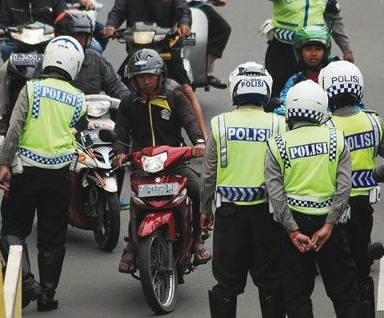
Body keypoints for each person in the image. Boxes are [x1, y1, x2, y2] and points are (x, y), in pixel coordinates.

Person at [0, 36, 87, 312]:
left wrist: (4, 163)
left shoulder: (31, 89)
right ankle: (47, 295)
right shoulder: (79, 99)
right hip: (59, 176)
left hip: (26, 172)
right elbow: (78, 128)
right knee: (52, 236)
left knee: (13, 228)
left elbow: (14, 129)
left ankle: (26, 282)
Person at [264, 80, 368, 317]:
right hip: (330, 224)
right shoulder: (337, 140)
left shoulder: (277, 144)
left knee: (297, 294)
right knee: (345, 292)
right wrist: (329, 225)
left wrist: (292, 231)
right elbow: (344, 189)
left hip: (295, 224)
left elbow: (276, 194)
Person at [111, 49, 209, 273]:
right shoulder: (128, 102)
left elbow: (190, 122)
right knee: (137, 201)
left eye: (150, 76)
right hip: (143, 165)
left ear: (160, 76)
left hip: (175, 162)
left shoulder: (174, 97)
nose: (146, 81)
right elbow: (121, 133)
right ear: (133, 80)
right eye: (140, 77)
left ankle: (196, 238)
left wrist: (198, 143)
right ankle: (133, 244)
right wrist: (119, 153)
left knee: (199, 190)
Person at [319, 61, 384, 317]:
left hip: (333, 209)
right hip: (362, 206)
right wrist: (372, 176)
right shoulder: (374, 122)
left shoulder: (325, 128)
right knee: (361, 268)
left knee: (339, 269)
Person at [200, 62, 284, 318]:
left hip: (229, 215)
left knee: (226, 283)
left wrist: (205, 209)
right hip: (267, 215)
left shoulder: (220, 123)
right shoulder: (279, 123)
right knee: (270, 280)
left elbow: (208, 174)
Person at [103, 0, 208, 137]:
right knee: (115, 87)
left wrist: (185, 24)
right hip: (138, 53)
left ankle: (205, 137)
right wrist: (111, 25)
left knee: (186, 90)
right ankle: (114, 136)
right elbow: (118, 10)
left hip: (167, 50)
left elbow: (182, 9)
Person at [0, 9, 130, 134]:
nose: (77, 41)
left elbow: (116, 86)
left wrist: (131, 102)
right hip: (55, 124)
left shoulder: (97, 59)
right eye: (73, 36)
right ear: (60, 36)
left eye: (82, 36)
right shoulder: (46, 60)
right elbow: (34, 95)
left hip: (91, 124)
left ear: (88, 38)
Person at [274, 25, 336, 115]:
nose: (313, 53)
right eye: (308, 49)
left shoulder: (335, 79)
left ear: (326, 51)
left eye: (318, 49)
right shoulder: (294, 81)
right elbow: (283, 104)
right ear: (299, 52)